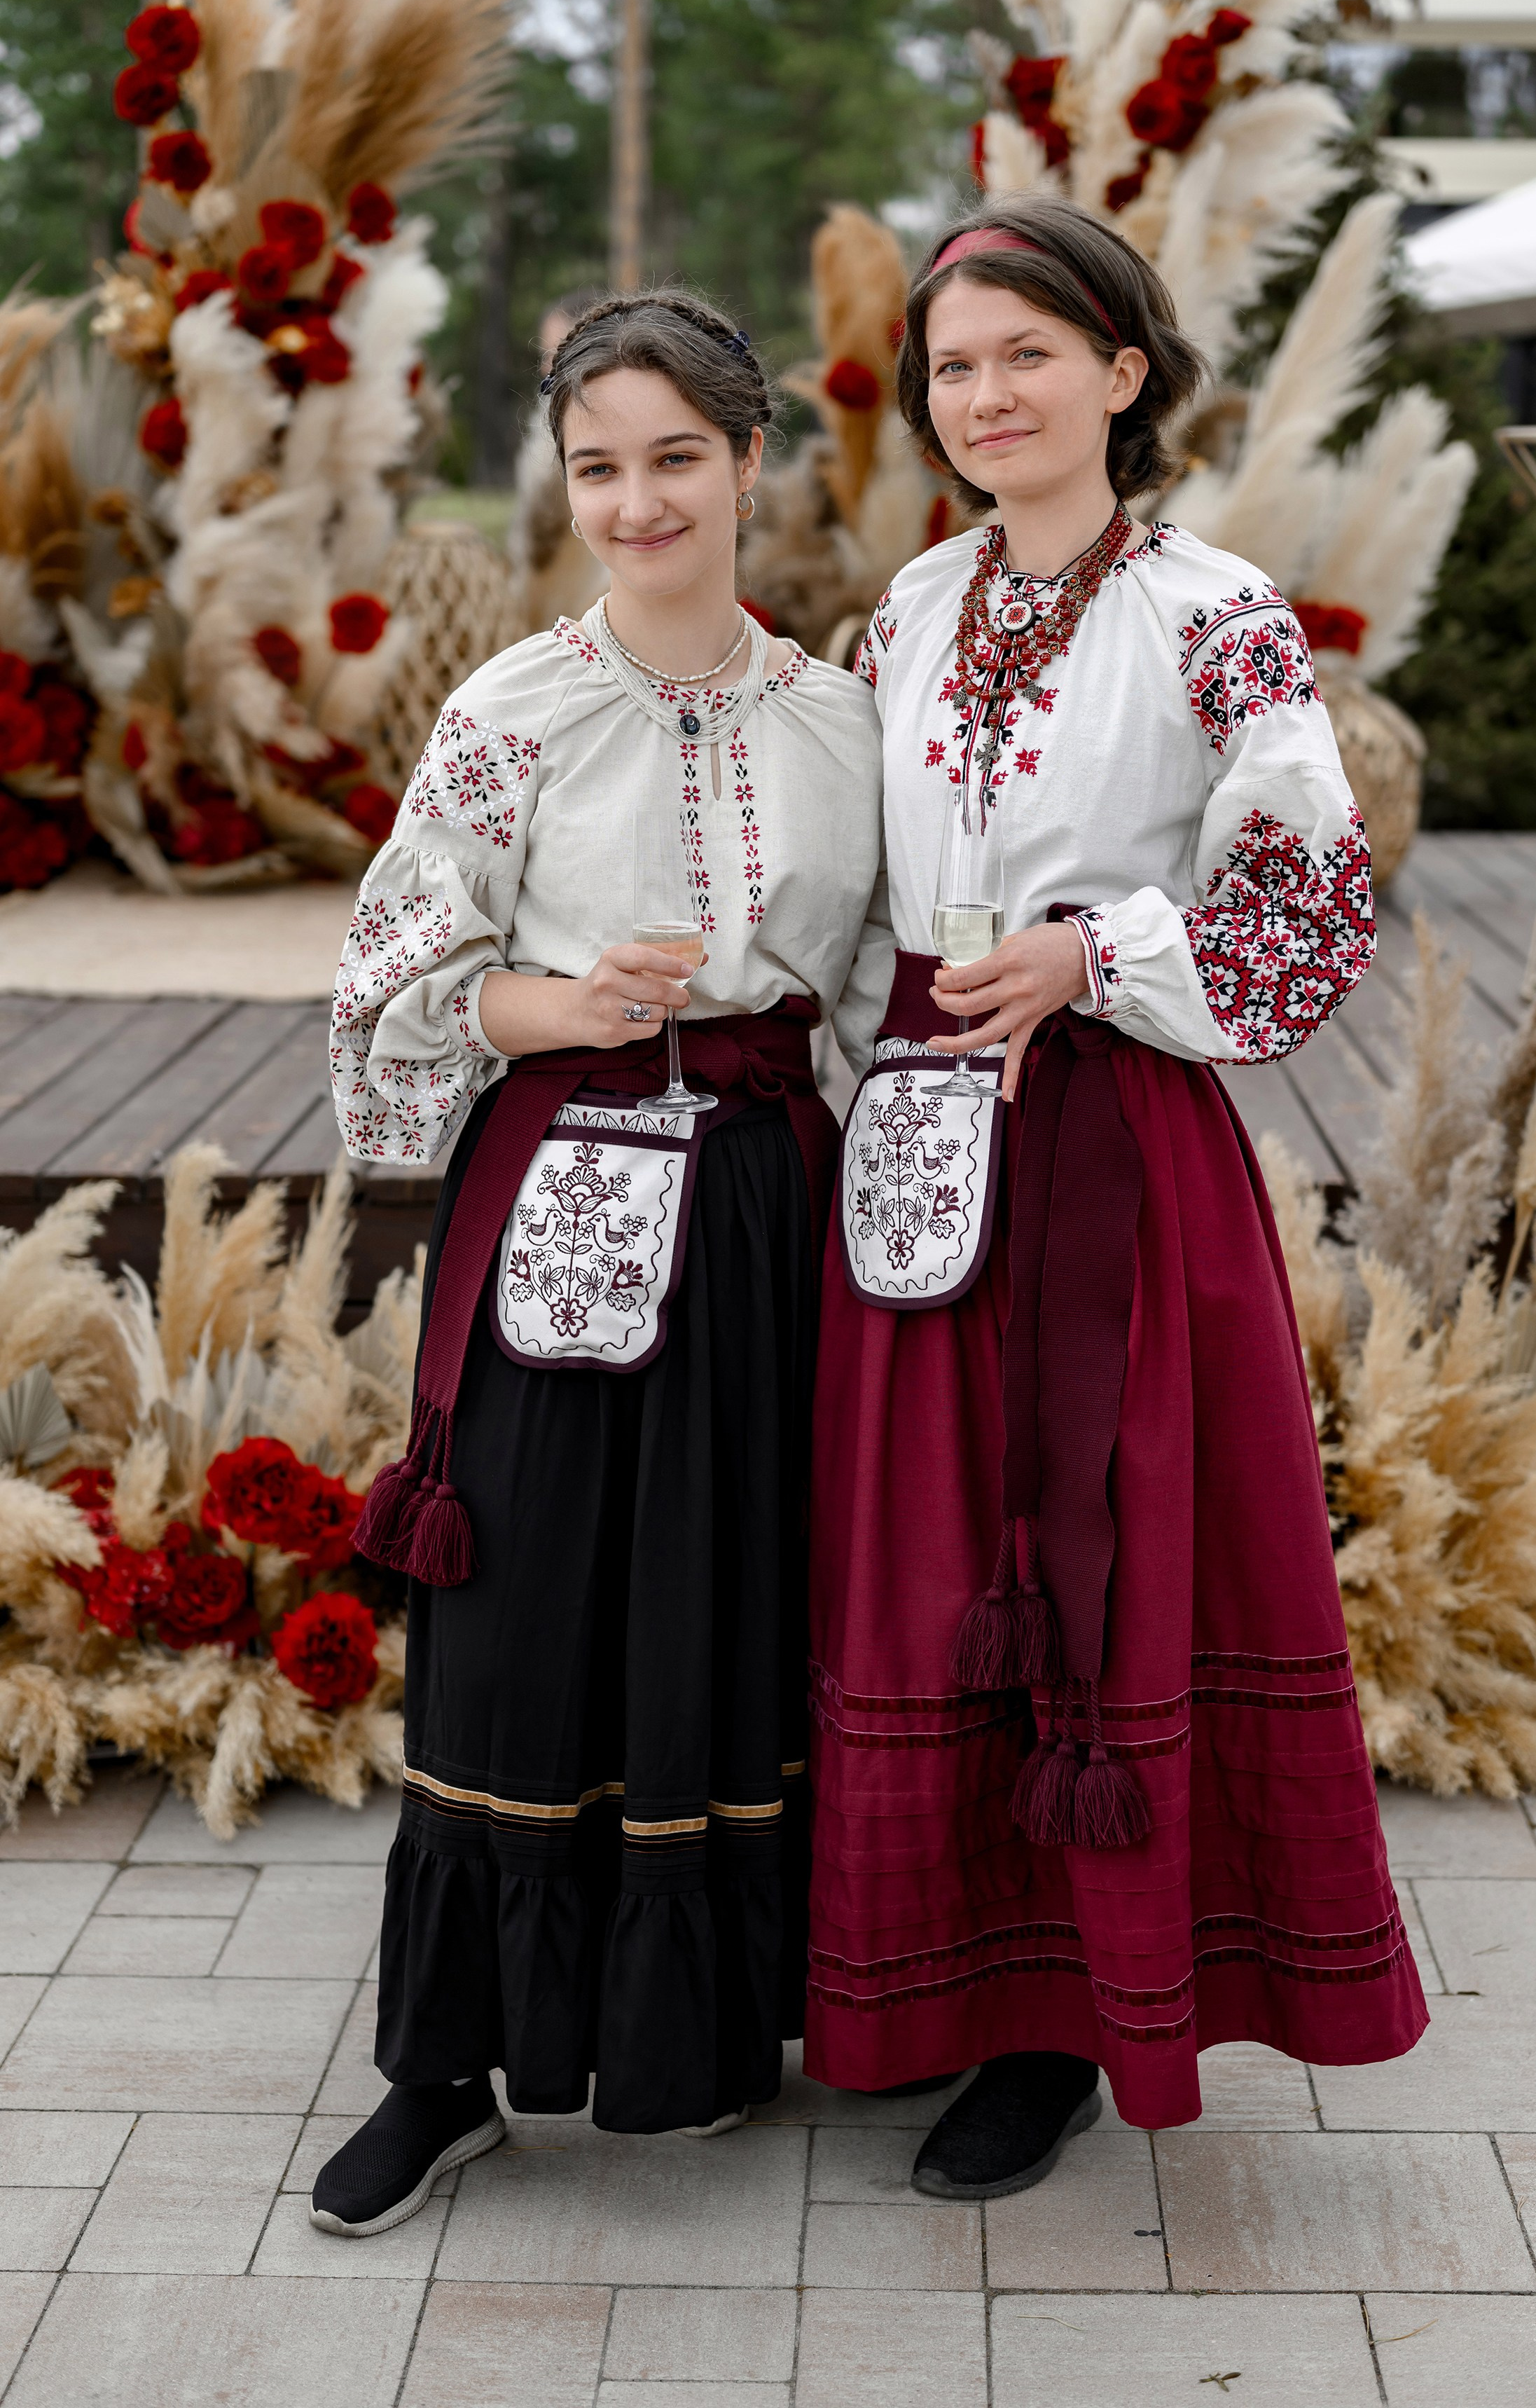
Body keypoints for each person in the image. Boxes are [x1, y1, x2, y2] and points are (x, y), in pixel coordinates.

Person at [804, 192, 1427, 2201]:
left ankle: (1077, 2012)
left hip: (1115, 1141)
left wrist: (1098, 952)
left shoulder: (1214, 613)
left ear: (1123, 372)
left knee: (1099, 1547)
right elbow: (854, 893)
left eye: (1029, 356)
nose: (985, 395)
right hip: (926, 1131)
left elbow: (1310, 891)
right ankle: (939, 1973)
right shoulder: (909, 612)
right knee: (932, 1552)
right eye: (955, 366)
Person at [314, 290, 891, 2237]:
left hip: (765, 1210)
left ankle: (705, 2030)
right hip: (562, 1185)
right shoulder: (513, 712)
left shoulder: (839, 723)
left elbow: (871, 999)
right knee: (526, 1595)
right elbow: (390, 978)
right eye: (596, 467)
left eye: (675, 460)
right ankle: (443, 2072)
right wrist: (554, 1005)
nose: (637, 503)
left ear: (750, 463)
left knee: (724, 1593)